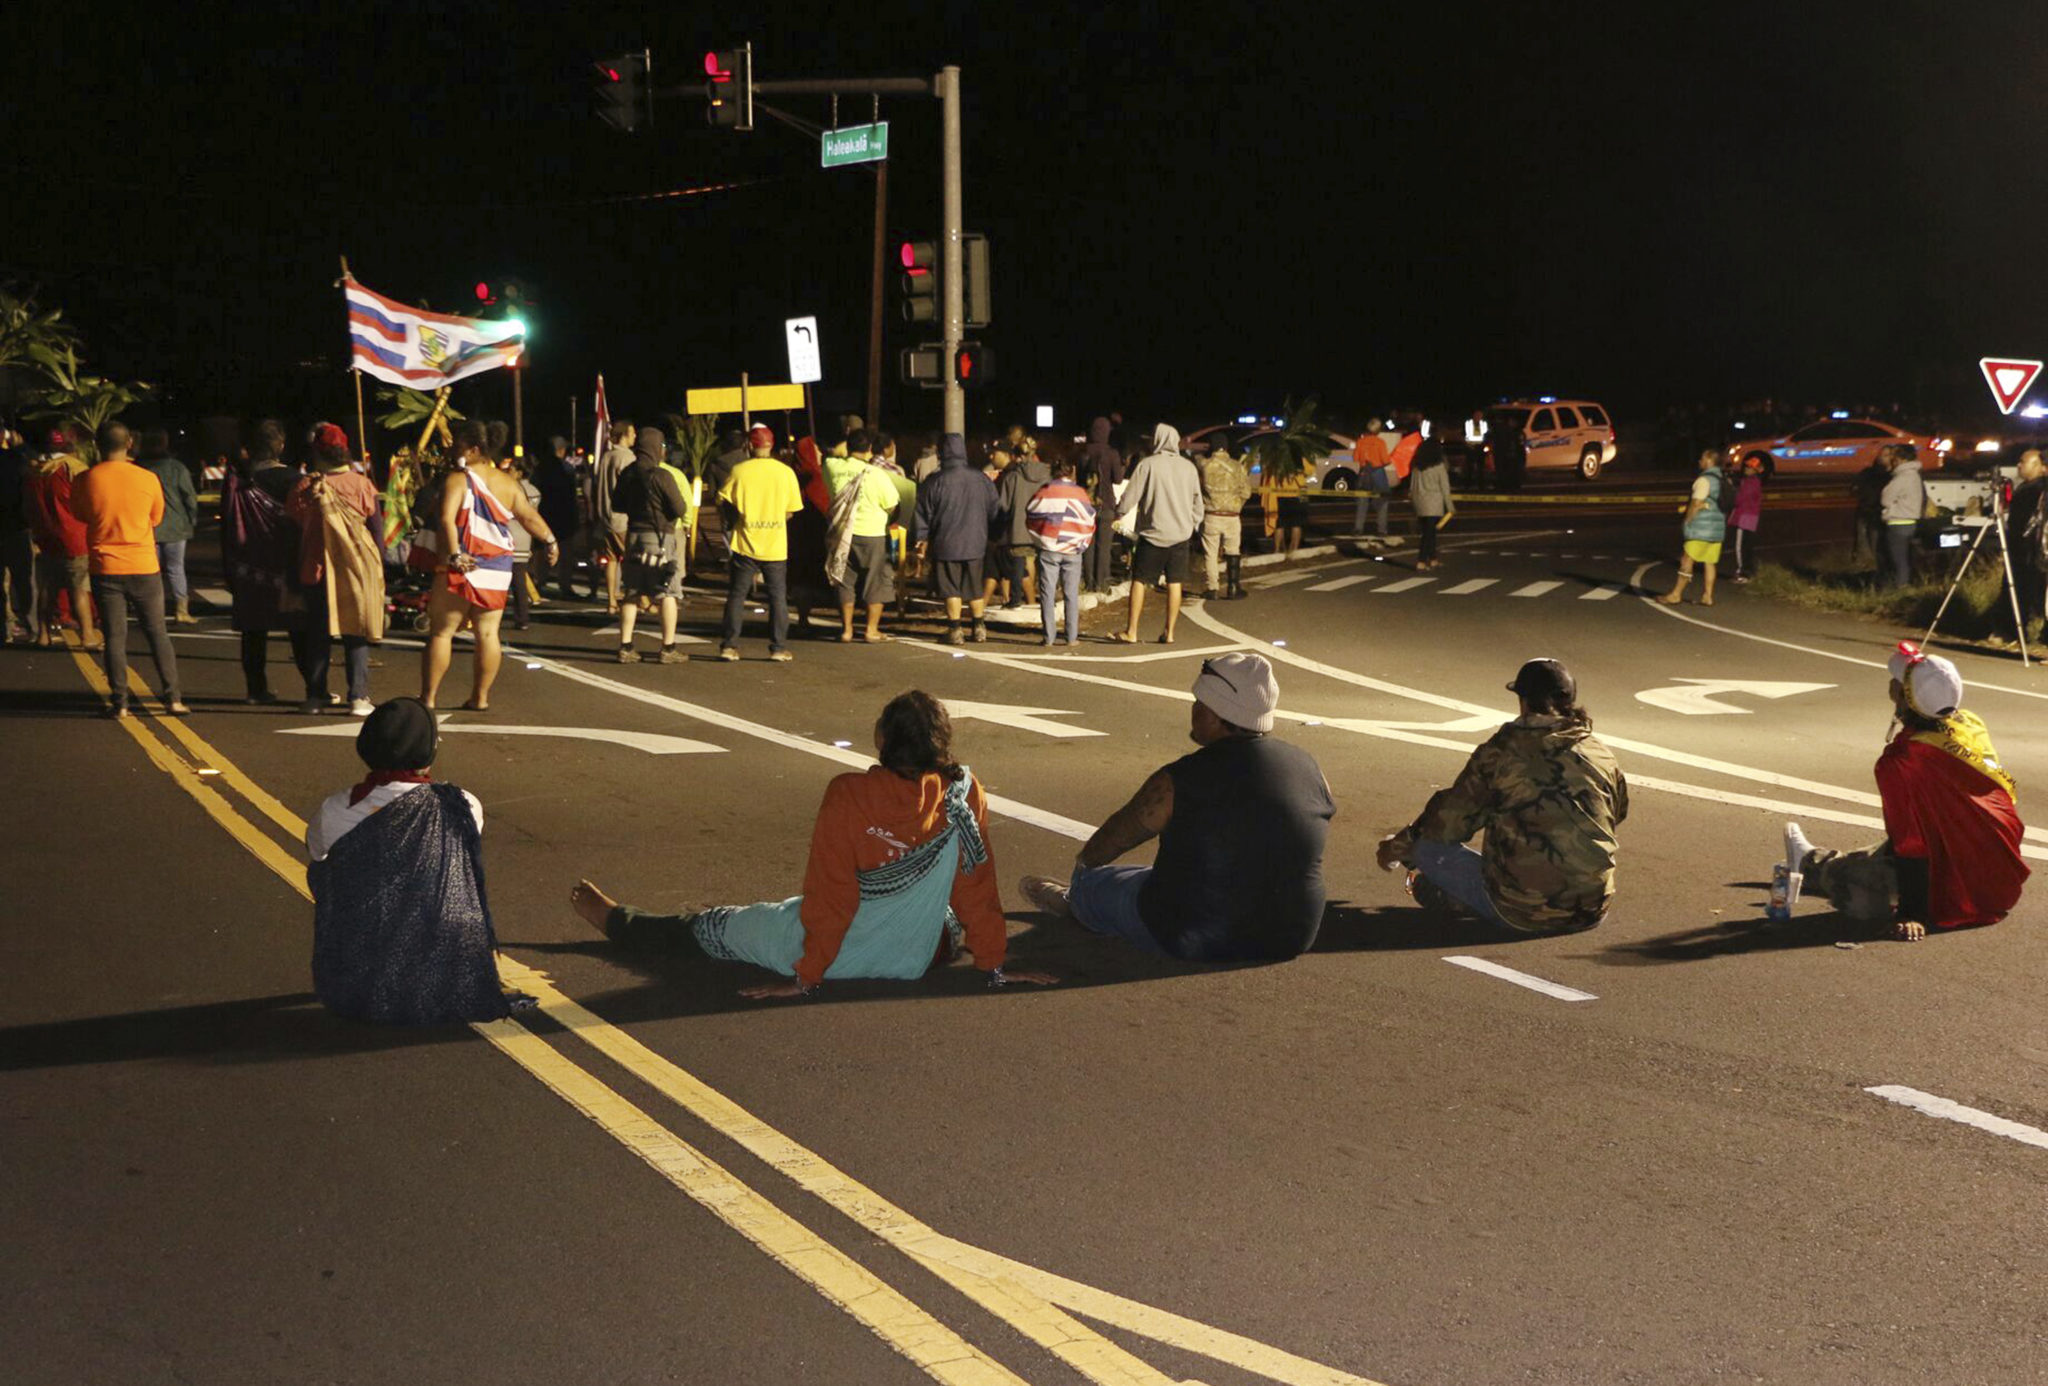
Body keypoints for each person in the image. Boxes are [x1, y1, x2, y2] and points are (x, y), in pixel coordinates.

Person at [573, 691, 1055, 998]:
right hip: (922, 952)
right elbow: (975, 883)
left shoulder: (848, 795)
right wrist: (992, 965)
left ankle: (621, 922)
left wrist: (807, 975)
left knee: (719, 927)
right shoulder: (964, 792)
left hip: (834, 949)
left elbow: (832, 895)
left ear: (882, 741)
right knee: (945, 915)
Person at [1018, 653, 1336, 961]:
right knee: (1160, 873)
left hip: (1195, 933)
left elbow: (1116, 837)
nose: (1194, 710)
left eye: (1199, 703)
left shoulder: (1181, 778)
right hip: (1291, 934)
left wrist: (1085, 864)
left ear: (1216, 712)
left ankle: (1076, 901)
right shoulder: (1309, 766)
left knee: (1096, 882)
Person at [1782, 643, 2027, 941]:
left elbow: (1911, 844)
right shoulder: (1969, 723)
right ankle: (1822, 861)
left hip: (1962, 891)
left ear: (1903, 697)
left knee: (1863, 896)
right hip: (1999, 881)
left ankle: (1814, 864)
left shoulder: (1902, 761)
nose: (1890, 685)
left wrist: (1913, 913)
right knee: (1911, 834)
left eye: (1896, 683)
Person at [306, 696, 522, 1024]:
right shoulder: (463, 803)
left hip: (365, 964)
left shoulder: (336, 809)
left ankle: (362, 965)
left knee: (322, 870)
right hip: (448, 963)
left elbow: (318, 856)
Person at [1376, 658, 1628, 935]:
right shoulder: (1599, 752)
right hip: (1591, 909)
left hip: (1521, 911)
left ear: (1523, 701)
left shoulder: (1501, 752)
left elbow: (1446, 825)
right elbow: (1618, 812)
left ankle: (1453, 896)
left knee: (1426, 848)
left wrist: (1396, 848)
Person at [420, 420, 558, 710]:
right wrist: (551, 541)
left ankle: (429, 698)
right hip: (497, 566)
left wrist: (455, 554)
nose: (450, 449)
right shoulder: (508, 482)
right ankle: (480, 697)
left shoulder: (458, 479)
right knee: (487, 633)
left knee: (442, 632)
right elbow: (528, 517)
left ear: (473, 450)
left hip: (462, 562)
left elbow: (446, 518)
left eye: (456, 445)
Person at [72, 422, 184, 717]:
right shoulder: (148, 478)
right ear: (130, 443)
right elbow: (156, 518)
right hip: (144, 564)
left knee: (115, 636)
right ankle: (173, 698)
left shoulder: (86, 479)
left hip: (105, 566)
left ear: (97, 445)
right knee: (157, 632)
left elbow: (80, 514)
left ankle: (120, 702)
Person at [287, 424, 384, 716]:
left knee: (317, 633)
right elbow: (376, 531)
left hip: (316, 568)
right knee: (356, 631)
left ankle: (315, 696)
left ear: (317, 453)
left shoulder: (305, 487)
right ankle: (358, 697)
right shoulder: (362, 485)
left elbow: (293, 526)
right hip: (355, 568)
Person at [220, 419, 303, 702]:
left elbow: (228, 525)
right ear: (280, 446)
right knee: (298, 625)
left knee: (253, 629)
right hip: (287, 562)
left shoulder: (237, 480)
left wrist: (228, 566)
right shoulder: (294, 478)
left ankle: (256, 690)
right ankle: (314, 689)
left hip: (247, 564)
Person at [717, 424, 802, 663]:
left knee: (737, 595)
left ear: (750, 445)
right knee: (777, 597)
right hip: (775, 544)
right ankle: (778, 647)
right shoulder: (785, 472)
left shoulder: (739, 471)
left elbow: (723, 500)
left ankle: (729, 646)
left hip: (745, 541)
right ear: (771, 444)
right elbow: (791, 511)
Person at [1115, 423, 1204, 644]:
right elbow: (1198, 505)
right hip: (1180, 536)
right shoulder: (1189, 468)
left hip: (1152, 534)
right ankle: (1170, 632)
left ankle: (1132, 631)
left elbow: (1130, 496)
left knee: (1140, 580)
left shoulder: (1148, 465)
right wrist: (1191, 525)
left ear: (1158, 440)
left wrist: (1119, 512)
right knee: (1175, 583)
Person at [611, 424, 689, 663]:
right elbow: (680, 508)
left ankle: (625, 646)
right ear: (657, 448)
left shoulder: (628, 473)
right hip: (660, 537)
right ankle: (668, 648)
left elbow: (617, 504)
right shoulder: (661, 475)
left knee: (632, 591)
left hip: (633, 536)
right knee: (667, 592)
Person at [914, 432, 1000, 646]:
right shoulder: (982, 479)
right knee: (974, 588)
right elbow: (995, 510)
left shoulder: (934, 481)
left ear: (942, 453)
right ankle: (979, 627)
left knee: (951, 588)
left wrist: (921, 538)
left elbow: (922, 513)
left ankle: (955, 630)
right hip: (976, 542)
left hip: (946, 543)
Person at [822, 426, 902, 643]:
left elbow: (832, 453)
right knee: (876, 581)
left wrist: (848, 443)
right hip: (873, 533)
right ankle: (870, 630)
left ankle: (846, 630)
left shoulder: (832, 467)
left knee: (845, 581)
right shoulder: (876, 474)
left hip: (843, 533)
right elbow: (893, 504)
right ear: (869, 450)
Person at [24, 427, 98, 650]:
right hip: (74, 537)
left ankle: (43, 635)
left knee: (47, 588)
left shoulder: (34, 472)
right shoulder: (73, 469)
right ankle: (87, 635)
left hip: (44, 538)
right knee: (79, 588)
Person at [1025, 455, 1096, 646]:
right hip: (1073, 548)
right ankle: (1072, 637)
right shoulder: (1080, 493)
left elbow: (1031, 513)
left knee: (1047, 592)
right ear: (1071, 471)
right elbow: (1090, 519)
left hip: (1049, 547)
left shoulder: (1045, 491)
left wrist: (1041, 535)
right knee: (1071, 594)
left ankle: (1048, 637)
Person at [134, 429, 200, 625]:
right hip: (176, 527)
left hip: (147, 527)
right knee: (176, 569)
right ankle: (181, 610)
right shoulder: (177, 468)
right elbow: (189, 497)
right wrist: (191, 520)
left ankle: (151, 612)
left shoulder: (139, 468)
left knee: (151, 572)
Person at [1657, 448, 1728, 606]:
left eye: (1702, 458)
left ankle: (1676, 594)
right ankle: (1708, 596)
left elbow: (1696, 503)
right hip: (1717, 528)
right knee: (1710, 562)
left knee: (1687, 559)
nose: (1699, 461)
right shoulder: (1723, 478)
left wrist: (1687, 520)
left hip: (1700, 528)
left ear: (1709, 460)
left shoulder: (1704, 480)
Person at [1990, 449, 2046, 647]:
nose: (2019, 466)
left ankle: (2012, 632)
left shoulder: (2037, 489)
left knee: (2023, 591)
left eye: (2024, 462)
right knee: (2020, 592)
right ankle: (2014, 630)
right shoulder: (2026, 487)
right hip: (2022, 549)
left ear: (2040, 466)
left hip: (2028, 551)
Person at [994, 433, 1051, 610]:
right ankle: (1044, 596)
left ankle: (1016, 597)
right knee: (1043, 563)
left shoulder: (1012, 477)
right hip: (1043, 525)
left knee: (1018, 561)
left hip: (1019, 525)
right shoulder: (1046, 474)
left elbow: (1003, 505)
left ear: (1017, 456)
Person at [1199, 435, 1253, 599]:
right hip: (1232, 516)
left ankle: (1212, 588)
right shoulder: (1237, 467)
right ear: (1227, 447)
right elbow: (1247, 492)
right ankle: (1233, 587)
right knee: (1233, 551)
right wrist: (1236, 505)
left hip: (1211, 515)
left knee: (1211, 553)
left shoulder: (1204, 465)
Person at [593, 419, 636, 613]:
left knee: (610, 560)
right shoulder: (626, 458)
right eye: (632, 433)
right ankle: (633, 599)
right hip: (622, 519)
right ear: (625, 435)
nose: (635, 436)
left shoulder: (606, 457)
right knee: (630, 560)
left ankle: (611, 600)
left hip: (604, 517)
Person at [1078, 416, 1124, 593]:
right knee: (1104, 547)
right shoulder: (1112, 453)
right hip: (1106, 503)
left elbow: (1080, 478)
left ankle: (1089, 582)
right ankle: (1101, 583)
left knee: (1088, 546)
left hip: (1086, 503)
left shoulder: (1083, 453)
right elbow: (1118, 480)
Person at [534, 435, 582, 596]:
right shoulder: (567, 468)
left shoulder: (540, 468)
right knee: (565, 551)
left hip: (545, 512)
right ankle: (565, 583)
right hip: (564, 513)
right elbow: (571, 493)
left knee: (542, 548)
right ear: (561, 450)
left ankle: (540, 581)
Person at [0, 425, 32, 643]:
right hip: (16, 527)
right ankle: (32, 627)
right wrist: (20, 446)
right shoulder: (15, 459)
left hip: (11, 526)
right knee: (24, 581)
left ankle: (4, 631)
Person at [1877, 442, 1924, 589]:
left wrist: (1890, 509)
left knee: (1897, 560)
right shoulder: (1915, 476)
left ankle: (1900, 588)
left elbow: (1885, 499)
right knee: (1906, 559)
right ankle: (1907, 585)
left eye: (1894, 457)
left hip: (1897, 523)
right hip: (1911, 523)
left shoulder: (1902, 477)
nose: (1892, 460)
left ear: (1901, 459)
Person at [1407, 436, 1454, 571]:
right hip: (1433, 502)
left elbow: (1412, 486)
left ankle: (1433, 559)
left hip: (1419, 501)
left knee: (1429, 531)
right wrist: (1450, 506)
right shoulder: (1439, 466)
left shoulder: (1417, 466)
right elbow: (1445, 487)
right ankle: (1421, 560)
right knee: (1428, 533)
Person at [1350, 418, 1393, 540]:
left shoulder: (1360, 441)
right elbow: (1385, 461)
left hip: (1364, 472)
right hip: (1378, 473)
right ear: (1378, 430)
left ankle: (1358, 528)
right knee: (1382, 502)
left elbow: (1355, 458)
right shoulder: (1380, 442)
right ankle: (1381, 529)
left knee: (1362, 502)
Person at [1726, 455, 1764, 583]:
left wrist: (1731, 489)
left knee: (1741, 546)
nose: (1746, 469)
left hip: (1744, 517)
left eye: (1749, 467)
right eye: (1746, 466)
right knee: (1747, 545)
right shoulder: (1754, 481)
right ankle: (1748, 572)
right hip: (1750, 517)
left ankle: (1743, 573)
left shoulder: (1750, 482)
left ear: (1755, 469)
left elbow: (1739, 499)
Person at [1460, 409, 1490, 488]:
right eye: (1477, 415)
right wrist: (1467, 444)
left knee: (1481, 467)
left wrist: (1485, 445)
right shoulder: (1468, 423)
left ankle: (1481, 484)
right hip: (1470, 447)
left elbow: (1486, 435)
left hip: (1480, 447)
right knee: (1470, 467)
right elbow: (1463, 435)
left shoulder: (1484, 424)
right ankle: (1468, 484)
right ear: (1473, 415)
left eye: (1480, 415)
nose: (1478, 417)